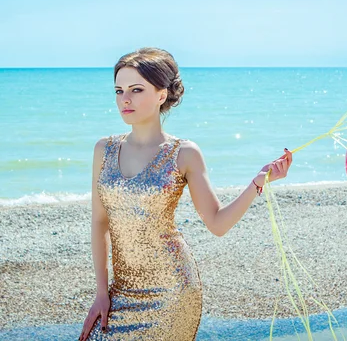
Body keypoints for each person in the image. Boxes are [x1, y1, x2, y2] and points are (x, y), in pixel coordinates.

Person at [79, 47, 293, 341]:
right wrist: (101, 292)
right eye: (119, 90)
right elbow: (99, 222)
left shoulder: (184, 153)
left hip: (173, 291)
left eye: (136, 89)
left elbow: (217, 223)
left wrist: (257, 182)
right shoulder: (103, 149)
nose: (124, 99)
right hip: (120, 289)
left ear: (161, 95)